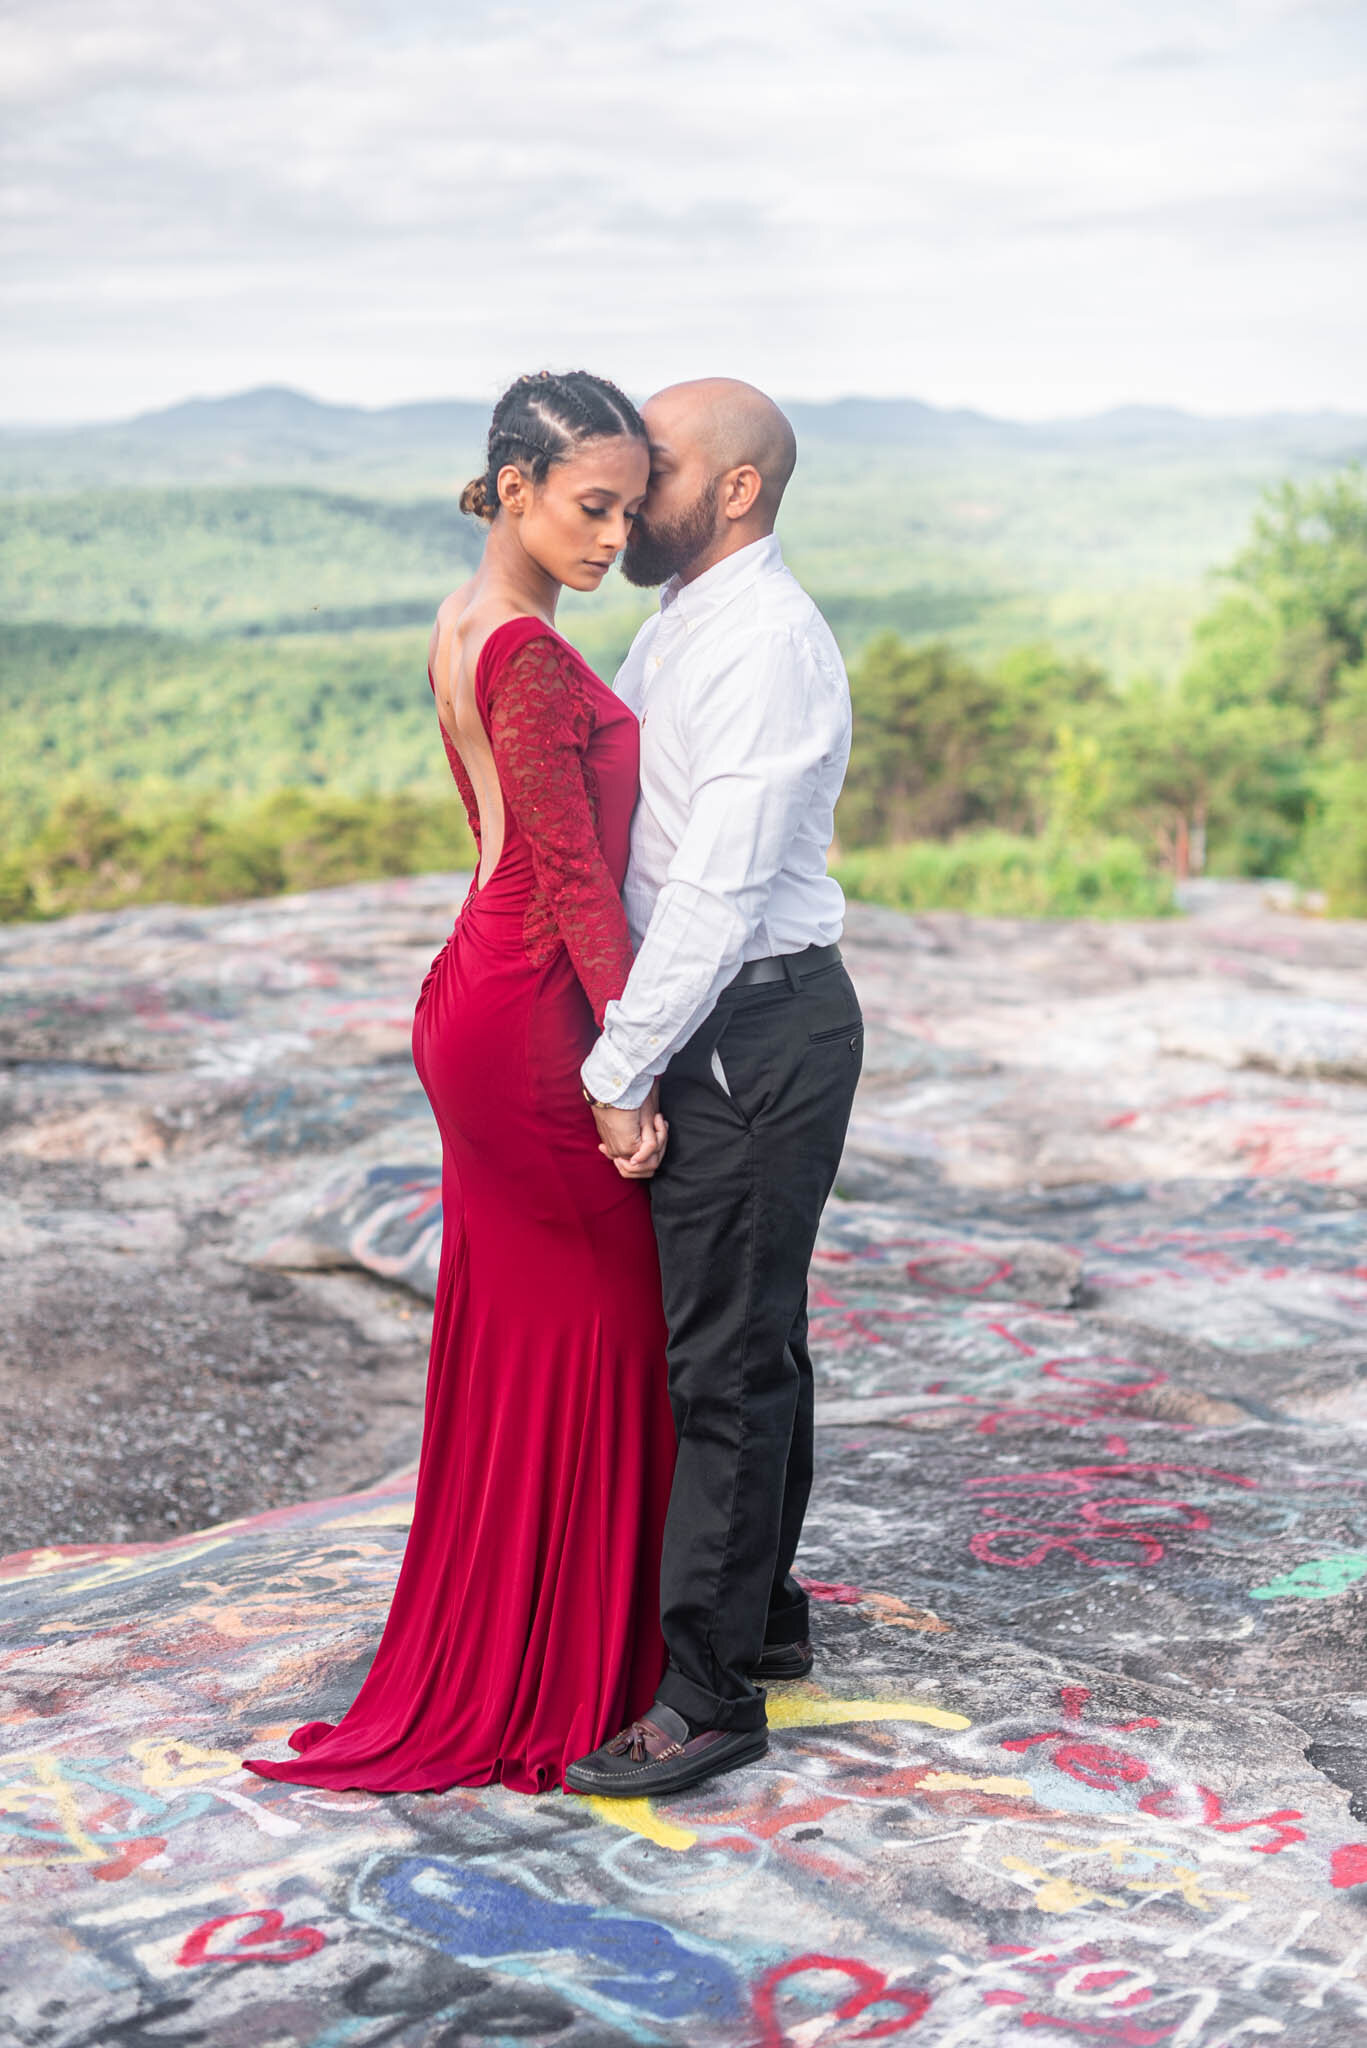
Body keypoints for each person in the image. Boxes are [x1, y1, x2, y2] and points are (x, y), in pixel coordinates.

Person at [244, 370, 676, 1795]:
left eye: (628, 509)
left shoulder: (469, 620)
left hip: (475, 994)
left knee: (527, 1338)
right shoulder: (535, 660)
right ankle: (569, 1669)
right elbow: (570, 882)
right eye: (589, 506)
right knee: (611, 1328)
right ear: (511, 487)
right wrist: (626, 1064)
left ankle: (520, 1632)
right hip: (533, 1019)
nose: (614, 535)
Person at [564, 379, 861, 1801]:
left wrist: (623, 1064)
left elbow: (717, 888)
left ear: (735, 490)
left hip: (747, 1025)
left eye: (658, 469)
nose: (632, 489)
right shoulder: (684, 616)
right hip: (738, 1021)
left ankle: (706, 1694)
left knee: (727, 1368)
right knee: (759, 1340)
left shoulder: (765, 645)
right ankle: (766, 1617)